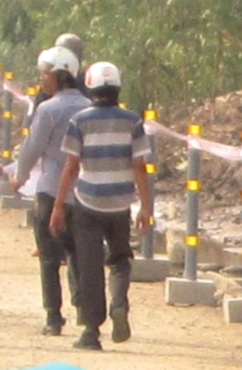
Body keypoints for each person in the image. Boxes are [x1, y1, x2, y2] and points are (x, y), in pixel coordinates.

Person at [53, 60, 149, 350]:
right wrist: (146, 207)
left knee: (89, 266)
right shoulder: (133, 121)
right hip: (120, 203)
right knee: (120, 260)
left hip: (87, 202)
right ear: (117, 87)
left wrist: (58, 206)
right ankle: (119, 304)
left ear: (90, 87)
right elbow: (140, 166)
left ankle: (91, 332)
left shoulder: (80, 121)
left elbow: (71, 166)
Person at [18, 50, 91, 337]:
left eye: (46, 73)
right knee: (78, 252)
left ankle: (53, 316)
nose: (42, 79)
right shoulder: (89, 108)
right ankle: (83, 307)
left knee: (49, 257)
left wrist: (21, 175)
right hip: (82, 193)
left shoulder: (47, 110)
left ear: (61, 74)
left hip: (50, 190)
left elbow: (33, 147)